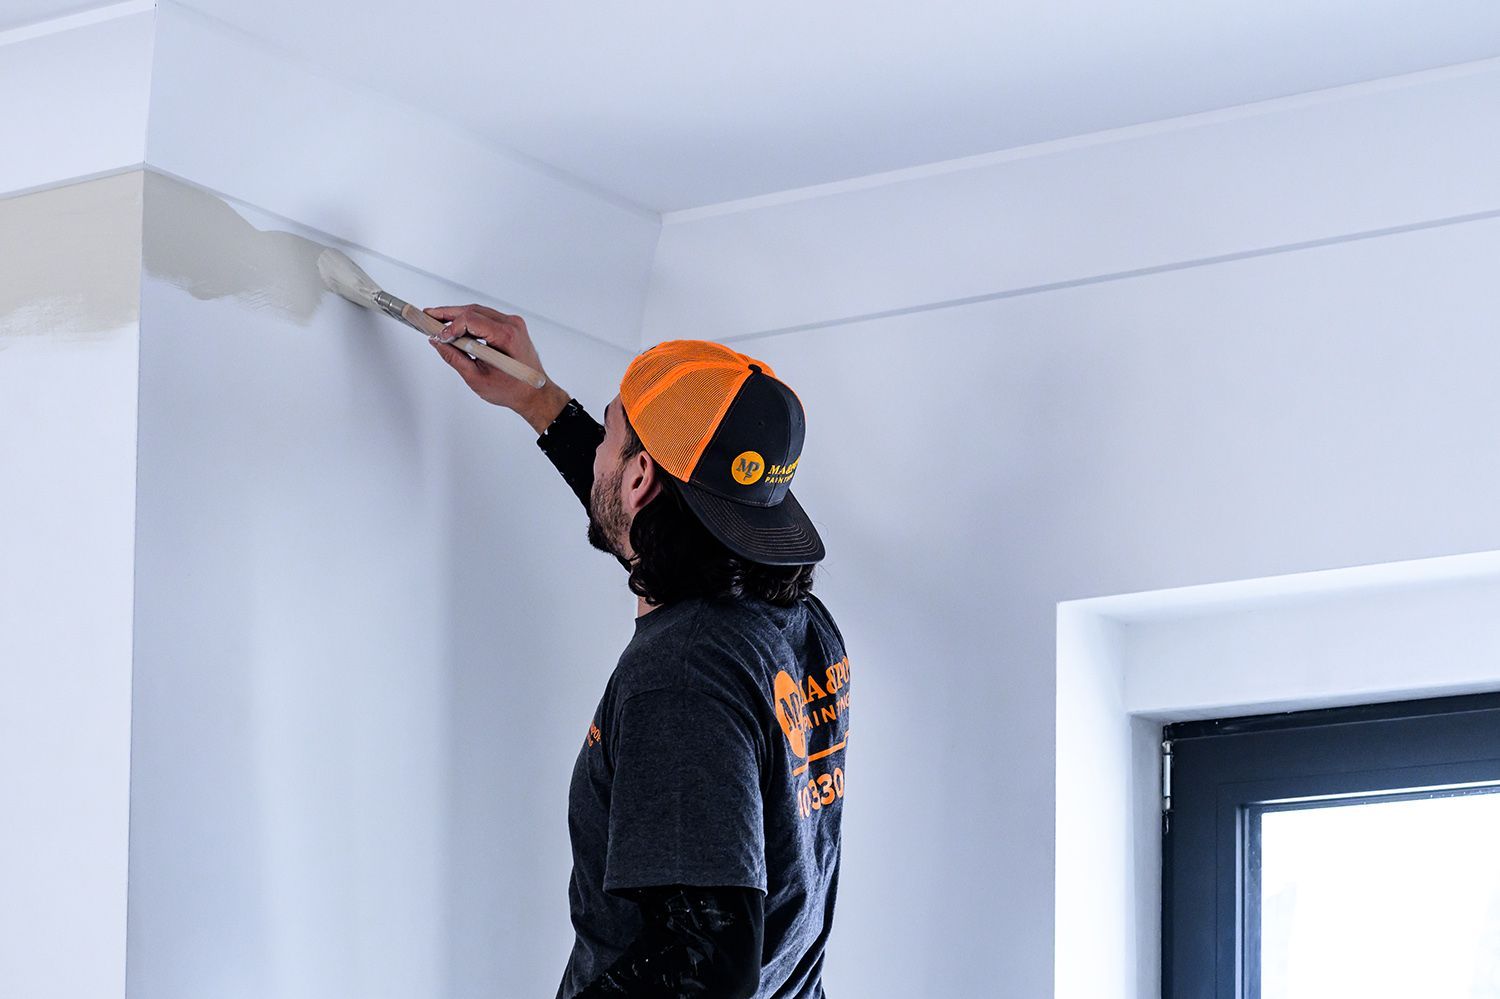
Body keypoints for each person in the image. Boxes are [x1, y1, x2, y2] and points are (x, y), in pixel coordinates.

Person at [424, 305, 851, 999]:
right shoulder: (794, 621)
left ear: (640, 479)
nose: (598, 449)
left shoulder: (680, 675)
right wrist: (540, 401)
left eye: (609, 431)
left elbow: (706, 964)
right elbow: (651, 525)